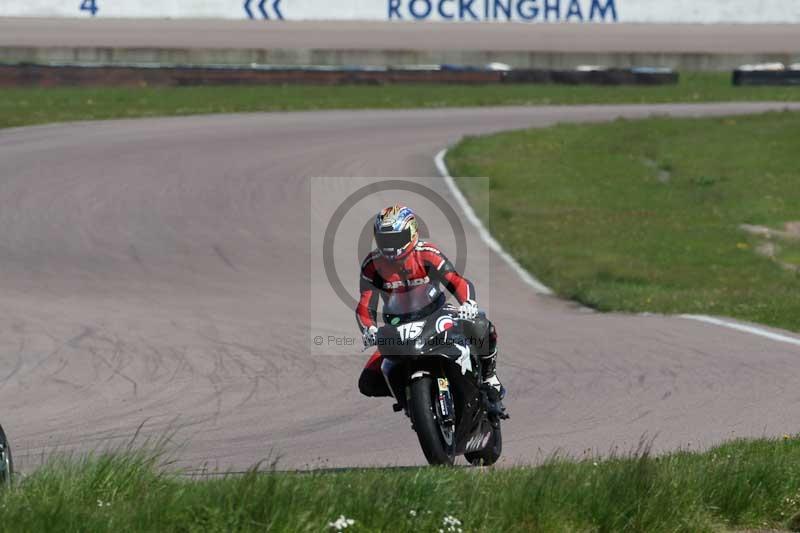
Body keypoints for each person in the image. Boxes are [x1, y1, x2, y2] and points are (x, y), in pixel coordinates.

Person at [356, 204, 503, 401]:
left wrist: (468, 303)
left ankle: (489, 376)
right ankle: (410, 398)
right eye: (385, 239)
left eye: (396, 238)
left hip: (437, 313)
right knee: (368, 382)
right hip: (398, 325)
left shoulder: (427, 253)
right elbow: (365, 304)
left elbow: (456, 281)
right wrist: (369, 329)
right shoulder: (372, 265)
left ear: (412, 234)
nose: (390, 246)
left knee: (480, 325)